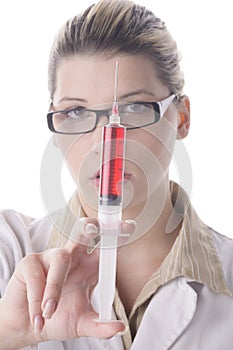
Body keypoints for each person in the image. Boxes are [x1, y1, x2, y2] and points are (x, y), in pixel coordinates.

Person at [0, 0, 232, 349]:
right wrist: (8, 331)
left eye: (134, 108)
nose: (104, 142)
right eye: (76, 111)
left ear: (181, 118)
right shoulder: (11, 250)